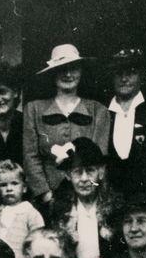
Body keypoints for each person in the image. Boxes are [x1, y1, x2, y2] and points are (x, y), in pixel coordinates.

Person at [23, 44, 111, 210]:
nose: (68, 74)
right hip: (48, 199)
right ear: (53, 73)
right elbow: (30, 157)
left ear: (81, 71)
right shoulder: (34, 109)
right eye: (62, 69)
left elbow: (99, 159)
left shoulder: (98, 110)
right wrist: (46, 195)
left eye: (74, 68)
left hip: (87, 196)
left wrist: (88, 196)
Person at [47, 137, 121, 258]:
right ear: (68, 175)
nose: (84, 178)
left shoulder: (115, 206)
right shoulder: (60, 209)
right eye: (77, 172)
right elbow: (55, 253)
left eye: (90, 171)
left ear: (101, 172)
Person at [104, 47, 146, 196]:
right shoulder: (103, 111)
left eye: (131, 73)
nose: (124, 79)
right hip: (112, 195)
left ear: (141, 75)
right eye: (119, 73)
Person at [0, 160, 45, 258]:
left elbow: (39, 242)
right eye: (3, 185)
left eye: (14, 183)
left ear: (24, 188)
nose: (9, 189)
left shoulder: (30, 213)